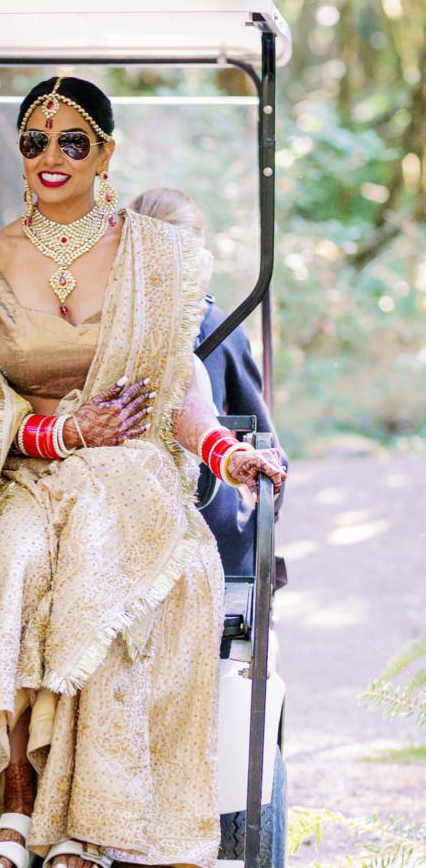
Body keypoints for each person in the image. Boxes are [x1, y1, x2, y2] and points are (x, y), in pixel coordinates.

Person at [0, 77, 288, 868]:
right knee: (18, 558)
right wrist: (64, 431)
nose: (53, 157)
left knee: (99, 546)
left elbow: (178, 393)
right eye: (36, 141)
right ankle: (18, 807)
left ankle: (90, 817)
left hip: (131, 474)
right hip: (26, 473)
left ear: (107, 151)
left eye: (73, 140)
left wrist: (227, 455)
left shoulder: (157, 254)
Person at [128, 187, 285, 584]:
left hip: (205, 504)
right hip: (147, 506)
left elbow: (265, 440)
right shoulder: (117, 326)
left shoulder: (220, 331)